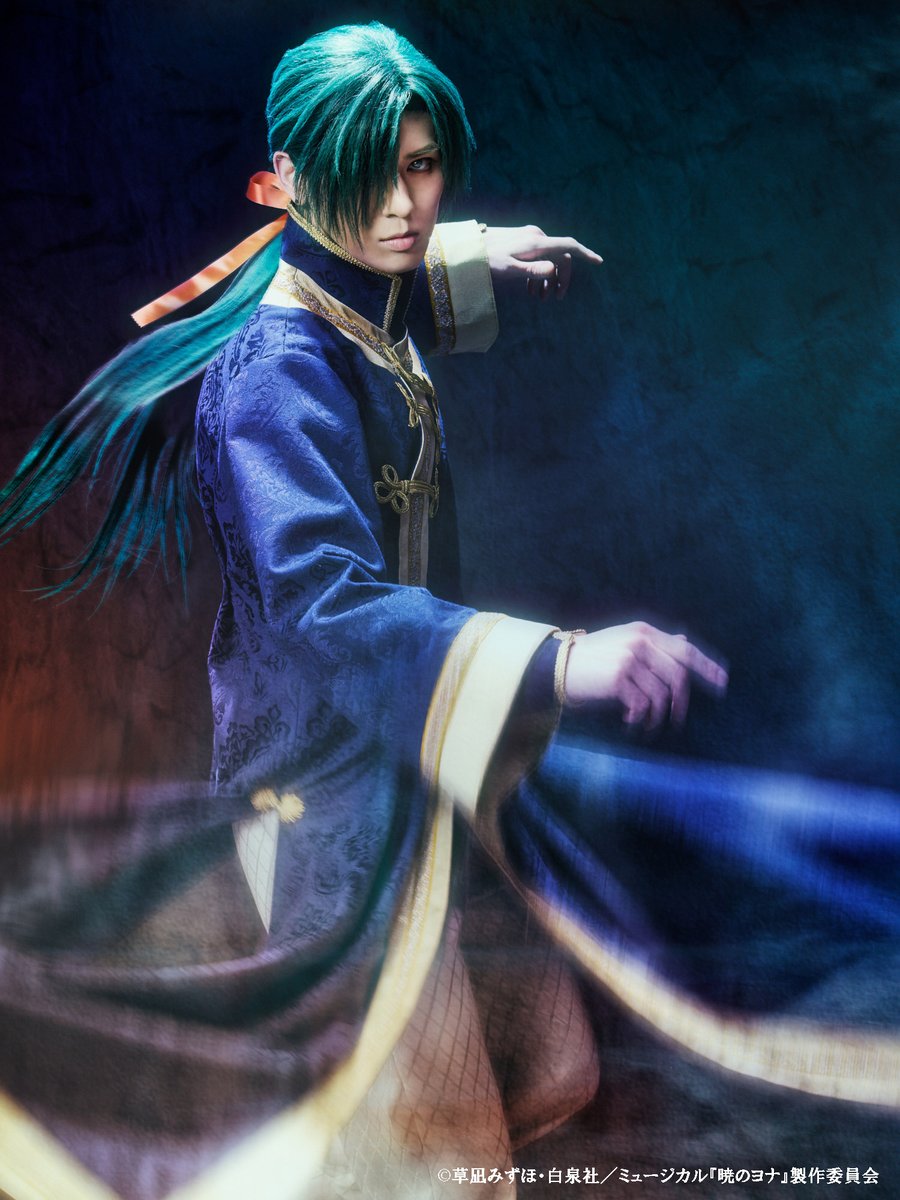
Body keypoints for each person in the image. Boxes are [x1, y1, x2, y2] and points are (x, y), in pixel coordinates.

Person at [0, 20, 898, 1200]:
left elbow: (369, 279)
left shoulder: (355, 297)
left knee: (550, 1074)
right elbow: (324, 607)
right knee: (442, 1165)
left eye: (421, 168)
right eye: (368, 174)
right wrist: (561, 662)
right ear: (288, 178)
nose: (403, 205)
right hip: (329, 803)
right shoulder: (274, 372)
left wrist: (471, 253)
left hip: (420, 759)